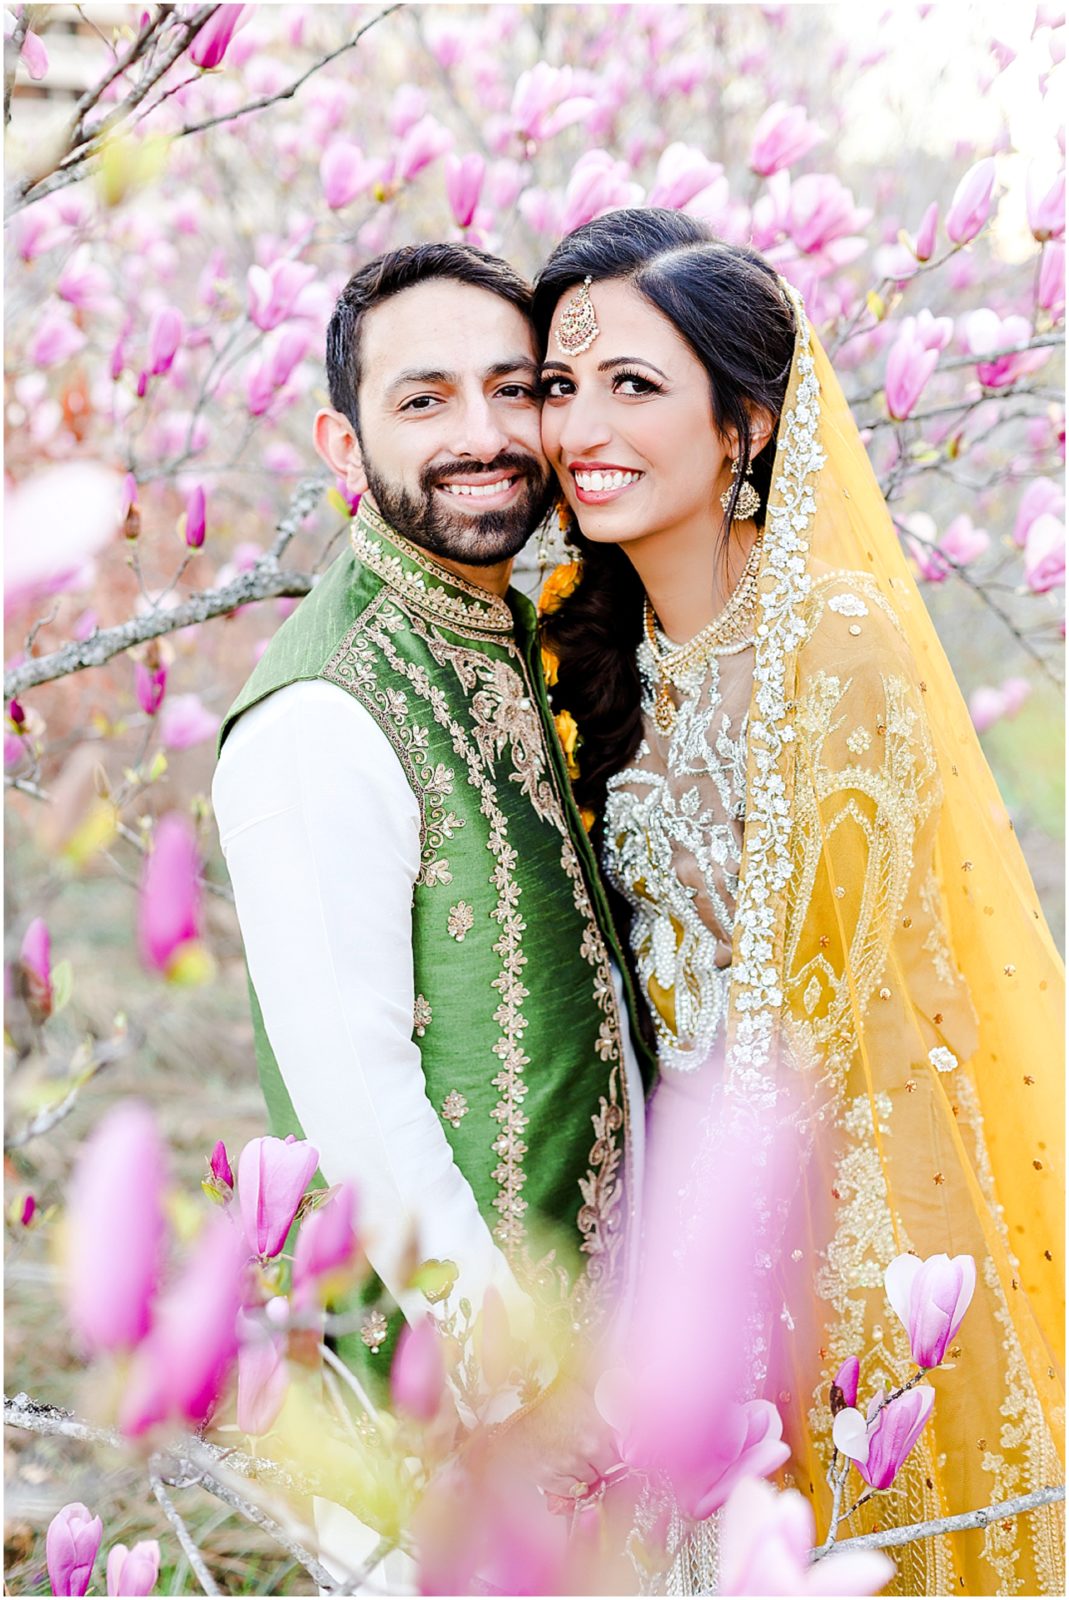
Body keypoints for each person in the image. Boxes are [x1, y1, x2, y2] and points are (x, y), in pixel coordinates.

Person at [534, 209, 1064, 1596]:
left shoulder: (832, 643)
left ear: (745, 428)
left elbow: (819, 1013)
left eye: (633, 386)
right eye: (560, 385)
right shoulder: (589, 646)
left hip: (838, 1217)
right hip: (666, 1212)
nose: (579, 425)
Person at [212, 242, 654, 1579]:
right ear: (341, 440)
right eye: (424, 400)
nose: (482, 436)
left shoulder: (501, 631)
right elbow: (353, 1096)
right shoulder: (321, 712)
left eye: (511, 389)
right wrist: (510, 1371)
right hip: (453, 1418)